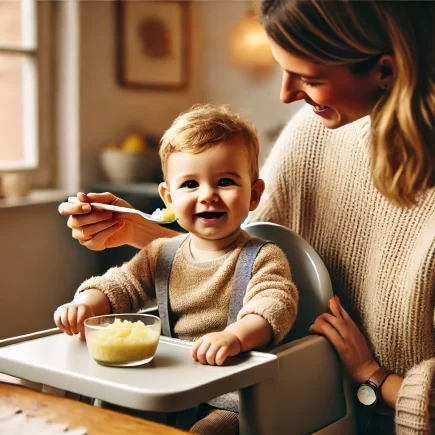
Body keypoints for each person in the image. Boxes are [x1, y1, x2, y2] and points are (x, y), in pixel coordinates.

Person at [58, 1, 435, 434]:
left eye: (310, 78)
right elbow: (228, 251)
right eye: (283, 70)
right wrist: (138, 231)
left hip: (345, 411)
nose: (286, 94)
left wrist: (374, 376)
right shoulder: (313, 130)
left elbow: (265, 281)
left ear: (384, 71)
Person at [55, 104, 298, 435]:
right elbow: (121, 286)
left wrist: (234, 337)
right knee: (104, 413)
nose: (208, 195)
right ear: (168, 198)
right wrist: (86, 305)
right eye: (190, 185)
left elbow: (273, 305)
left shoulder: (264, 256)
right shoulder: (161, 253)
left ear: (254, 194)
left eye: (225, 181)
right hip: (166, 382)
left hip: (231, 395)